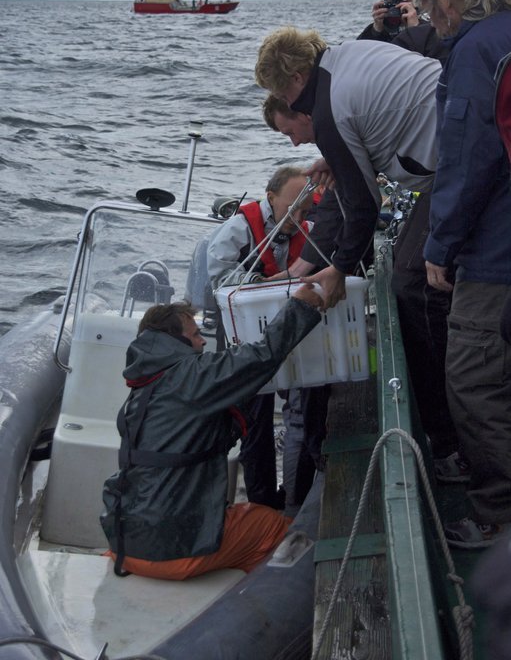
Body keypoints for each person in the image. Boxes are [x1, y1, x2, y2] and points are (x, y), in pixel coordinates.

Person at [255, 29, 464, 466]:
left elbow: (363, 207)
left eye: (284, 95)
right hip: (466, 126)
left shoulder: (328, 109)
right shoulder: (346, 57)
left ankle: (448, 435)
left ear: (296, 78)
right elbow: (374, 119)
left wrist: (340, 269)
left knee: (410, 283)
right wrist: (340, 157)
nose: (290, 106)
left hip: (460, 159)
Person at [100, 287, 324, 580]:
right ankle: (268, 597)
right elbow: (263, 354)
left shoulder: (143, 390)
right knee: (272, 525)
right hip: (174, 548)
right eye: (195, 335)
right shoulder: (192, 375)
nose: (203, 341)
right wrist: (300, 306)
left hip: (126, 543)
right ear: (174, 341)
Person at [408, 0, 511, 548]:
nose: (428, 20)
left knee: (474, 378)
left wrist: (440, 245)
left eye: (426, 8)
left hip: (496, 250)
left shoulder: (476, 50)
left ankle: (499, 515)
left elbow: (470, 159)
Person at [207, 166, 315, 511]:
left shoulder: (309, 230)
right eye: (292, 209)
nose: (298, 218)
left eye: (305, 211)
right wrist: (259, 285)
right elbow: (219, 276)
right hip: (245, 337)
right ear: (270, 198)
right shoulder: (238, 229)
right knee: (255, 422)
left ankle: (296, 498)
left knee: (304, 412)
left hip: (290, 335)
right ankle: (263, 504)